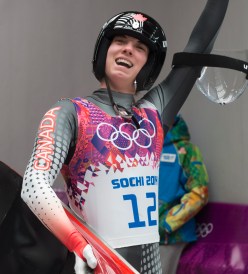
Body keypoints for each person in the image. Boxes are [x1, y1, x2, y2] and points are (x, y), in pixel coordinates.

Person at [20, 2, 229, 273]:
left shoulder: (154, 112)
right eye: (120, 40)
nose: (129, 48)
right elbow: (33, 185)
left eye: (140, 47)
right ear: (104, 51)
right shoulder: (70, 113)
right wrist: (78, 244)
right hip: (96, 263)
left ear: (148, 65)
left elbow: (199, 47)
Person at [158, 114, 209, 274]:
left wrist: (167, 223)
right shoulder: (144, 150)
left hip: (170, 237)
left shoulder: (186, 150)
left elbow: (200, 192)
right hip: (140, 233)